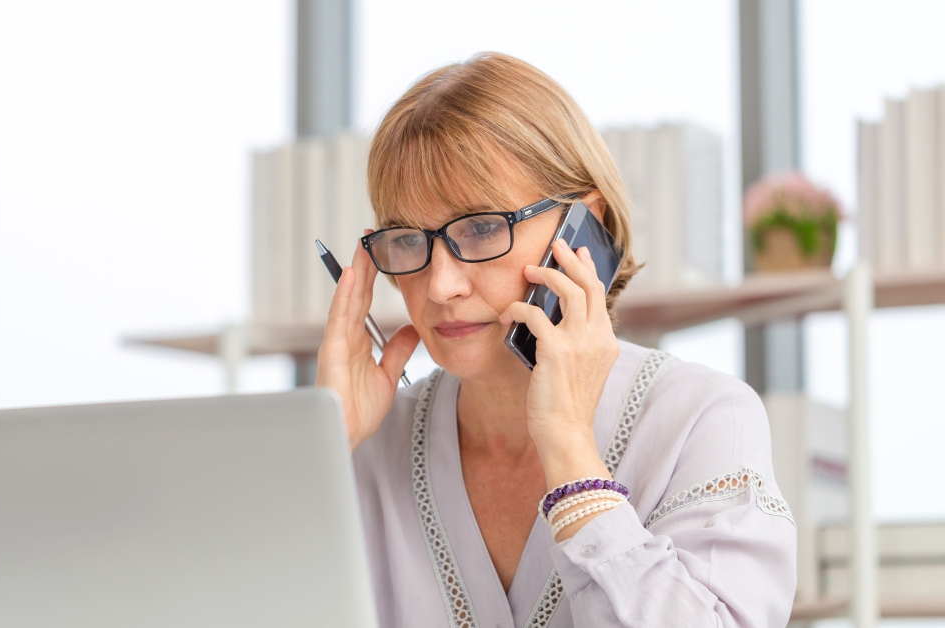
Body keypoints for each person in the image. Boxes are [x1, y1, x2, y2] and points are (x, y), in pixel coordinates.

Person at [316, 53, 796, 628]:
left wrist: (570, 451)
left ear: (583, 227)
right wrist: (325, 446)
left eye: (482, 227)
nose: (440, 286)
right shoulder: (367, 444)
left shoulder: (703, 419)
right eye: (407, 239)